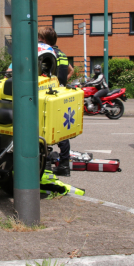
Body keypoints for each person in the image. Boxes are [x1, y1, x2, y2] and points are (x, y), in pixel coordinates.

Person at [38, 27, 73, 176]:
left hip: (49, 95)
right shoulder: (62, 54)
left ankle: (45, 165)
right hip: (61, 95)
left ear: (45, 41)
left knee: (44, 130)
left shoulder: (47, 54)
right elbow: (71, 70)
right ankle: (64, 165)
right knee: (61, 132)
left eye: (39, 38)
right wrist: (62, 83)